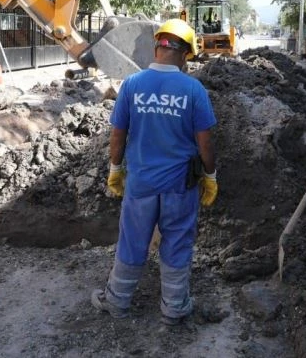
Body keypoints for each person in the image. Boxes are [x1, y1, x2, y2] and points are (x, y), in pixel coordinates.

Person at [91, 18, 217, 325]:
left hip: (141, 183)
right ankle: (174, 308)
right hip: (180, 185)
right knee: (176, 241)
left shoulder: (132, 85)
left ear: (155, 46)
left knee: (133, 240)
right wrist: (210, 177)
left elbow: (118, 135)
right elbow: (206, 142)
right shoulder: (193, 89)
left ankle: (118, 302)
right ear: (186, 53)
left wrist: (115, 169)